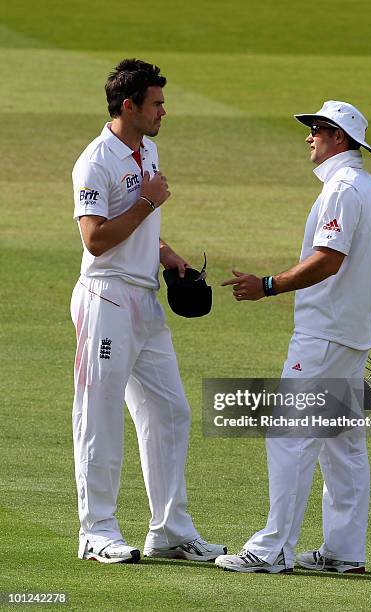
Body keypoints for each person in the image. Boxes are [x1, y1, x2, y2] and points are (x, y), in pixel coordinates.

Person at [216, 101, 371, 574]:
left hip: (324, 335)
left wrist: (268, 284)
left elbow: (328, 260)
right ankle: (344, 551)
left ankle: (273, 548)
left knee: (289, 436)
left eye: (315, 129)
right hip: (350, 335)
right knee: (342, 444)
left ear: (337, 135)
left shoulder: (342, 189)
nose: (308, 137)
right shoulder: (367, 188)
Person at [70, 58, 226, 564]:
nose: (164, 110)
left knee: (170, 411)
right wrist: (148, 204)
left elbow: (137, 227)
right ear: (129, 106)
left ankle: (171, 532)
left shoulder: (147, 148)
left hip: (145, 299)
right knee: (100, 415)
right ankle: (96, 531)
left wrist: (166, 254)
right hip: (106, 298)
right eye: (156, 103)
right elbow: (95, 239)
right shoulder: (95, 160)